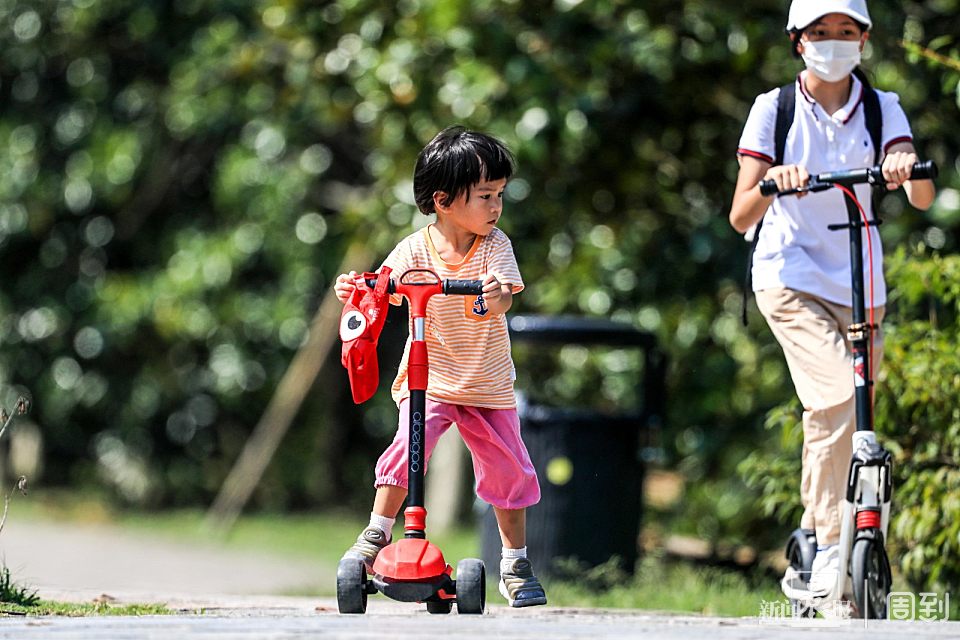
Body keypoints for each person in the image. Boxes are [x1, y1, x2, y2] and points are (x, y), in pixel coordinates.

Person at [728, 0, 935, 598]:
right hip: (789, 274)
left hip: (859, 278)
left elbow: (922, 195)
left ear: (864, 40)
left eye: (847, 30)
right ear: (800, 41)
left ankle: (816, 537)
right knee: (840, 393)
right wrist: (776, 180)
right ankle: (828, 542)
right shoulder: (774, 108)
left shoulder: (880, 106)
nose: (835, 41)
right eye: (821, 31)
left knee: (843, 413)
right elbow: (741, 213)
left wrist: (902, 165)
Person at [334, 126, 547, 608]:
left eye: (500, 195)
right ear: (444, 201)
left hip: (487, 385)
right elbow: (380, 290)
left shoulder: (494, 247)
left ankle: (514, 563)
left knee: (508, 472)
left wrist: (496, 294)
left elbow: (504, 296)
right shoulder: (413, 250)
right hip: (428, 381)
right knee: (405, 451)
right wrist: (356, 290)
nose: (496, 207)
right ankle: (377, 533)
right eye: (485, 196)